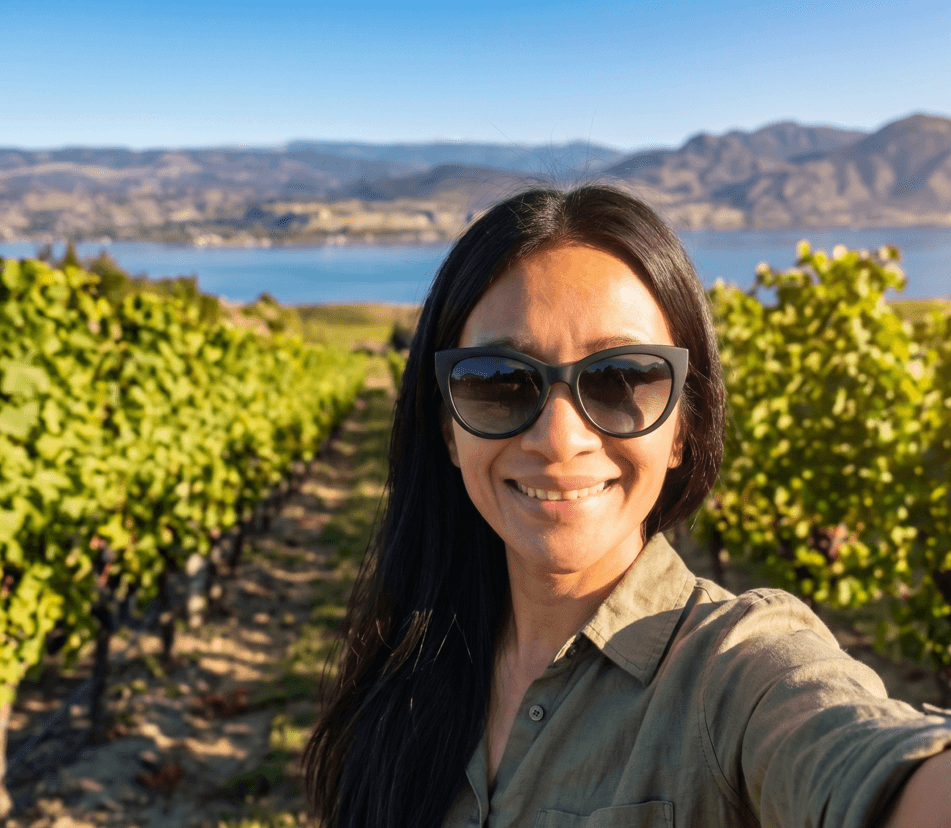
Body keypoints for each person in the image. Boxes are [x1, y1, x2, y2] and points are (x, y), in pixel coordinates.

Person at [303, 185, 951, 828]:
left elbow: (865, 757)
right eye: (498, 383)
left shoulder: (738, 673)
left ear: (682, 429)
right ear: (447, 428)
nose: (558, 439)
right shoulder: (408, 668)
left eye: (621, 380)